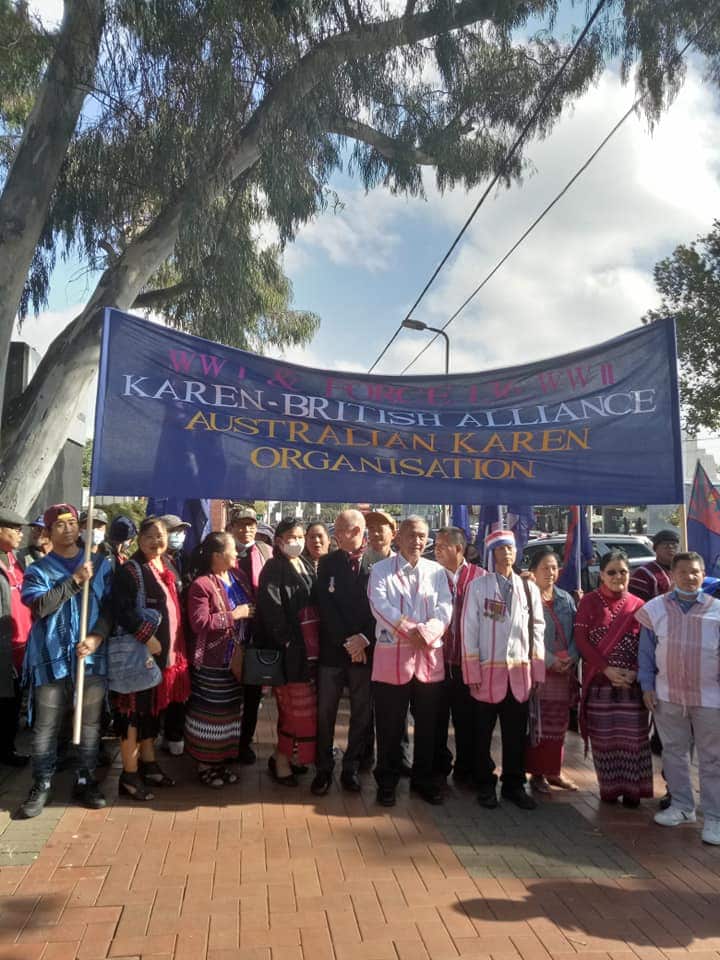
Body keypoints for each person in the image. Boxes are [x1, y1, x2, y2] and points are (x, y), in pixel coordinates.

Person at [19, 504, 113, 818]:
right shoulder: (38, 569)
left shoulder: (100, 564)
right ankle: (42, 782)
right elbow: (41, 606)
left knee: (89, 724)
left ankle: (85, 778)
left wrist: (96, 637)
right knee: (46, 725)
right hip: (51, 658)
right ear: (48, 532)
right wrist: (73, 580)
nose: (68, 529)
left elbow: (112, 609)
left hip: (92, 657)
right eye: (59, 525)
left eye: (73, 522)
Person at [367, 515, 452, 807]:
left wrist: (427, 632)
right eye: (412, 535)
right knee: (390, 726)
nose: (417, 541)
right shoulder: (380, 570)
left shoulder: (437, 572)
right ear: (398, 537)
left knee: (429, 726)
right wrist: (410, 629)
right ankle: (387, 782)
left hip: (428, 659)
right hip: (393, 660)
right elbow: (380, 606)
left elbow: (444, 608)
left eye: (422, 536)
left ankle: (424, 780)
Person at [637, 552, 720, 844]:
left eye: (695, 571)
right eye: (683, 572)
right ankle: (683, 806)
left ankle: (715, 818)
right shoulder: (654, 609)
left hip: (710, 697)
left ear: (703, 573)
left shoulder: (716, 610)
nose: (690, 577)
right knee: (674, 753)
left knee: (713, 759)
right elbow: (645, 653)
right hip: (668, 694)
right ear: (672, 574)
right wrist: (646, 685)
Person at [461, 529, 546, 810]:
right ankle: (485, 784)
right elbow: (469, 629)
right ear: (491, 553)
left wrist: (538, 670)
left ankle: (513, 784)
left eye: (509, 548)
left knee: (515, 735)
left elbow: (537, 629)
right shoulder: (479, 587)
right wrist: (471, 670)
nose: (506, 553)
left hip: (519, 675)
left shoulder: (529, 589)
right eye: (500, 549)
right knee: (482, 734)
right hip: (487, 674)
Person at [112, 517, 190, 800]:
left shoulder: (167, 564)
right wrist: (148, 636)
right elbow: (122, 611)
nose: (157, 541)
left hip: (163, 656)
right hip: (139, 655)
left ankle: (149, 763)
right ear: (139, 540)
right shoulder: (131, 570)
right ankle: (129, 774)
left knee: (150, 710)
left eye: (161, 535)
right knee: (131, 711)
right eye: (150, 536)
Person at [574, 549, 652, 807]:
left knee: (632, 740)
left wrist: (635, 671)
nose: (618, 576)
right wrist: (606, 669)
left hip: (631, 685)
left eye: (623, 572)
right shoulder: (589, 602)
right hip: (600, 683)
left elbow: (647, 645)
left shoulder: (639, 606)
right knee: (605, 740)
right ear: (601, 575)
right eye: (612, 572)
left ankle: (632, 791)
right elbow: (582, 642)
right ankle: (609, 789)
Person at [312, 509, 374, 796]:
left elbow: (382, 610)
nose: (337, 534)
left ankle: (351, 768)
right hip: (334, 652)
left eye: (343, 529)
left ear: (359, 531)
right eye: (336, 529)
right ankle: (323, 769)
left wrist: (363, 639)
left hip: (364, 652)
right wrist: (348, 642)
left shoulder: (379, 564)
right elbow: (324, 606)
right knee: (325, 713)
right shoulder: (326, 563)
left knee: (361, 713)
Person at [185, 532, 254, 787]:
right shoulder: (201, 585)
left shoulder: (238, 577)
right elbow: (200, 622)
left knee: (230, 714)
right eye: (232, 549)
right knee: (209, 714)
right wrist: (234, 615)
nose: (237, 553)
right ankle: (205, 764)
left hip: (237, 659)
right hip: (213, 661)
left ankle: (221, 762)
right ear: (217, 555)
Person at [256, 518, 317, 785]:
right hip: (289, 653)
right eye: (292, 536)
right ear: (279, 540)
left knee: (305, 710)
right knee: (293, 711)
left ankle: (291, 756)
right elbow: (271, 611)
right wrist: (289, 642)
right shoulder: (273, 567)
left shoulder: (304, 564)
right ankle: (281, 761)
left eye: (301, 536)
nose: (298, 541)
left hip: (309, 652)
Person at [433, 526, 485, 785]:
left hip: (467, 664)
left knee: (467, 721)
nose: (437, 550)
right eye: (436, 545)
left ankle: (466, 769)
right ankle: (439, 768)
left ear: (459, 548)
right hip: (437, 663)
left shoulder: (481, 578)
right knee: (436, 720)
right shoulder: (431, 576)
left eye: (442, 545)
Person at [524, 546, 578, 793]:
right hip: (538, 670)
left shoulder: (566, 598)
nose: (550, 572)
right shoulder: (526, 598)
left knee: (559, 724)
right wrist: (549, 660)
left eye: (554, 567)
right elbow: (523, 635)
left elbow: (578, 632)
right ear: (533, 571)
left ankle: (554, 771)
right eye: (545, 567)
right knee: (538, 724)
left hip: (563, 672)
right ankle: (537, 774)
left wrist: (573, 658)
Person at [229, 506, 272, 764]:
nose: (246, 530)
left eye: (251, 525)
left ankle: (245, 743)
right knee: (228, 692)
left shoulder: (266, 552)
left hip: (257, 634)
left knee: (252, 693)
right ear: (232, 527)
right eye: (241, 525)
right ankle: (225, 742)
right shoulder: (223, 551)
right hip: (228, 634)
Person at [0, 507, 32, 767]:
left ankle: (7, 749)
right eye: (15, 529)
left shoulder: (15, 560)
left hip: (22, 646)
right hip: (4, 648)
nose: (20, 534)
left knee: (12, 705)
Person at [629, 530, 679, 602]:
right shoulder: (643, 573)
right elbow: (637, 603)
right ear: (655, 548)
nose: (670, 547)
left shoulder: (683, 572)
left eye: (674, 544)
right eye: (665, 544)